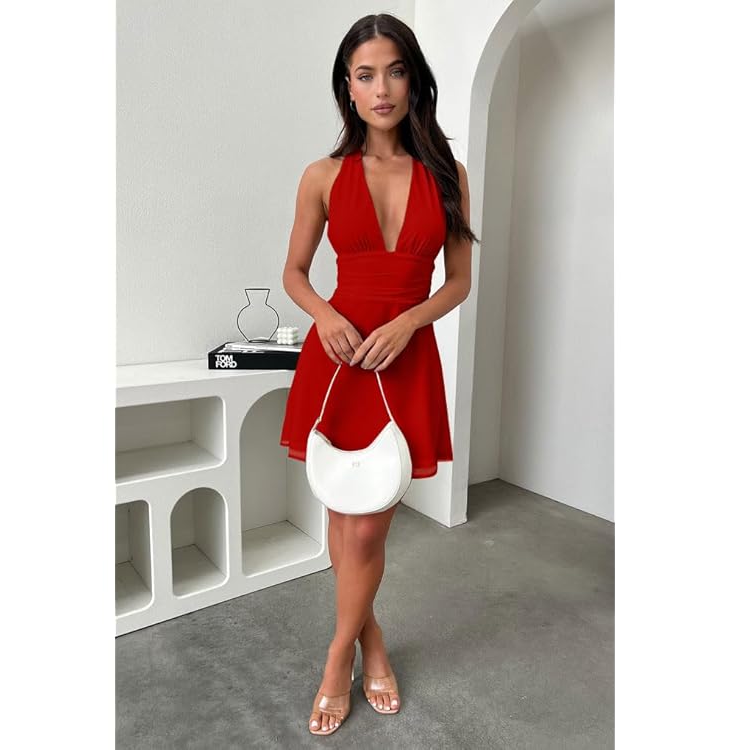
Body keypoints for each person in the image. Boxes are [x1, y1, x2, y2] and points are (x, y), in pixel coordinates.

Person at [279, 13, 478, 736]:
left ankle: (339, 658)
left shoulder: (446, 175)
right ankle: (371, 644)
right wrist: (326, 316)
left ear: (414, 80)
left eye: (395, 71)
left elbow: (459, 281)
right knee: (346, 516)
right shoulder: (323, 176)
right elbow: (295, 272)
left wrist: (410, 321)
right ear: (348, 87)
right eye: (366, 75)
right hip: (339, 358)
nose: (382, 88)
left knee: (366, 528)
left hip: (403, 357)